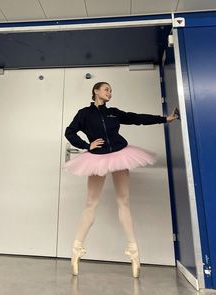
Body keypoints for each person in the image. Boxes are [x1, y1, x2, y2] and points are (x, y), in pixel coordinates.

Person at [63, 81, 179, 278]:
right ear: (96, 91)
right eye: (106, 89)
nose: (110, 93)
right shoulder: (84, 113)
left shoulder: (113, 112)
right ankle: (76, 249)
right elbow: (69, 131)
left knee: (123, 201)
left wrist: (165, 119)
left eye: (111, 90)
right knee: (91, 203)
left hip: (119, 154)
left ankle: (133, 250)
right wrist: (86, 145)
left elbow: (136, 118)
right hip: (98, 158)